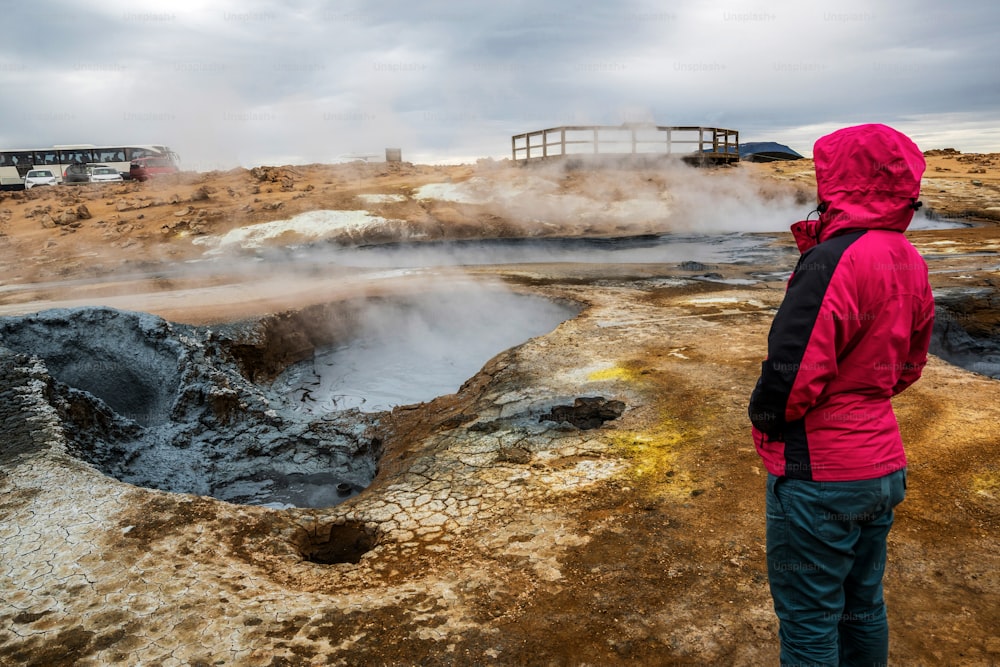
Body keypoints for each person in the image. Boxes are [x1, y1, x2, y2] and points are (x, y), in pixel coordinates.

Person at [748, 123, 935, 666]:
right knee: (861, 605)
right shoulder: (906, 254)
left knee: (810, 619)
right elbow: (909, 365)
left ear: (840, 180)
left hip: (821, 475)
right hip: (880, 466)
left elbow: (791, 374)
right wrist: (866, 394)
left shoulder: (832, 260)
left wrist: (766, 419)